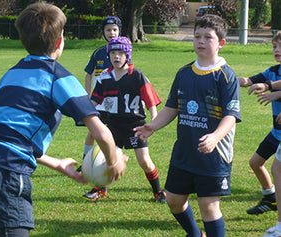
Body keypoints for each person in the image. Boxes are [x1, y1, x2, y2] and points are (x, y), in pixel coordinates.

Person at [0, 3, 127, 236]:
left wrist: (55, 162)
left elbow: (7, 134)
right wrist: (114, 161)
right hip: (5, 175)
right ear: (59, 42)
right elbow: (100, 132)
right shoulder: (58, 76)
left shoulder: (11, 73)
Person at [134, 14, 241, 237]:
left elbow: (231, 116)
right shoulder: (184, 73)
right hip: (184, 151)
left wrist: (214, 138)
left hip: (214, 155)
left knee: (209, 207)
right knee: (173, 200)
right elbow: (172, 108)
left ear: (221, 43)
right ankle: (194, 233)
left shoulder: (225, 76)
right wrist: (152, 126)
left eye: (208, 37)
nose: (201, 41)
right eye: (197, 36)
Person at [81, 36, 166, 203]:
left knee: (144, 161)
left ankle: (158, 192)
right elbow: (95, 99)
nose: (116, 56)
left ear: (128, 55)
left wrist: (154, 122)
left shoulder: (137, 75)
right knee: (106, 158)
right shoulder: (104, 76)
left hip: (135, 125)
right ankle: (100, 189)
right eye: (113, 53)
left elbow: (150, 100)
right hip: (113, 124)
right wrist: (84, 111)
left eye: (120, 53)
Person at [237, 31, 281, 216]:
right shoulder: (271, 71)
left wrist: (271, 87)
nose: (277, 50)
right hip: (277, 132)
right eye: (274, 46)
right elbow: (249, 81)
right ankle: (270, 198)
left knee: (278, 170)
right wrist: (225, 77)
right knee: (255, 163)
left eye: (280, 46)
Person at [79, 16, 123, 201]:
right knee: (92, 134)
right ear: (103, 32)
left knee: (110, 139)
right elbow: (89, 74)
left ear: (119, 30)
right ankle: (86, 163)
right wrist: (88, 95)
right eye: (108, 30)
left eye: (114, 29)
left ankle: (101, 181)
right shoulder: (98, 53)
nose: (111, 33)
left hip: (114, 104)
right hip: (99, 101)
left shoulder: (122, 51)